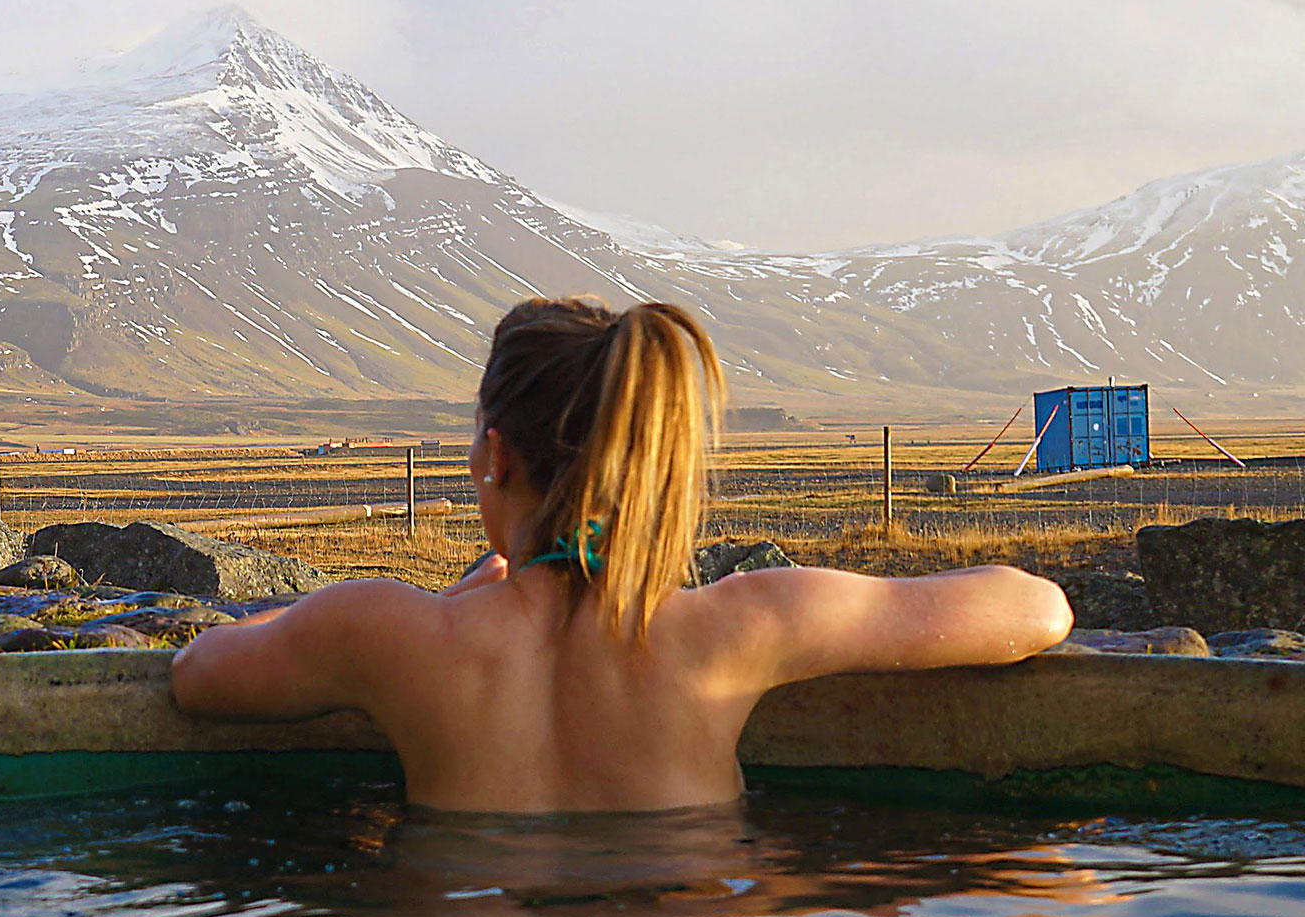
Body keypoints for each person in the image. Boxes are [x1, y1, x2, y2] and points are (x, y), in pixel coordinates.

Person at [169, 298, 1071, 813]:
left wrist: (446, 604)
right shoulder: (741, 625)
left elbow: (198, 674)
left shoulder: (386, 632)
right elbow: (1037, 611)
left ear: (494, 457)